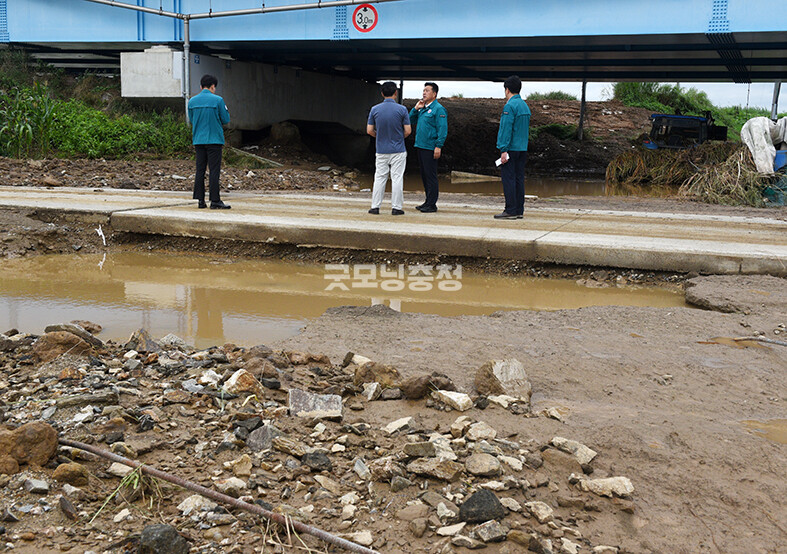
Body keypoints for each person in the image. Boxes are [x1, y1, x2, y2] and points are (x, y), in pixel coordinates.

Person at [367, 81, 412, 215]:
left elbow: (369, 130)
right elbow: (408, 131)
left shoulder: (374, 109)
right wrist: (399, 138)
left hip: (381, 150)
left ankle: (375, 207)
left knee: (380, 177)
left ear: (382, 93)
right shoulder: (402, 109)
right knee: (397, 178)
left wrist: (379, 136)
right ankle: (396, 208)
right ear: (395, 93)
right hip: (398, 150)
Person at [188, 74, 231, 209]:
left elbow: (191, 119)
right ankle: (215, 201)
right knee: (214, 170)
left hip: (198, 140)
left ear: (201, 86)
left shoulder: (192, 101)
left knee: (200, 170)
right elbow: (226, 119)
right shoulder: (218, 100)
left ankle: (201, 201)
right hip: (214, 140)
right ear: (213, 86)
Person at [494, 75, 531, 219]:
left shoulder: (510, 106)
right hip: (522, 148)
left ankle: (510, 210)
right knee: (519, 179)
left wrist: (503, 149)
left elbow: (506, 129)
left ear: (507, 89)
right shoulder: (524, 106)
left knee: (508, 179)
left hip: (511, 148)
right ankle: (519, 210)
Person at [409, 82, 447, 213]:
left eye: (427, 90)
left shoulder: (438, 109)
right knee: (424, 175)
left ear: (434, 94)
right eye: (423, 90)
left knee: (430, 175)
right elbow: (410, 120)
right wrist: (416, 109)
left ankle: (432, 204)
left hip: (430, 147)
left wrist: (438, 146)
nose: (424, 93)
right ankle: (427, 201)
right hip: (420, 145)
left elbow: (442, 129)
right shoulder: (423, 108)